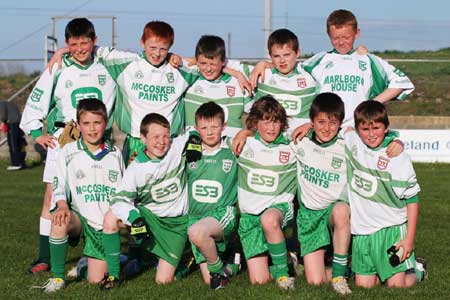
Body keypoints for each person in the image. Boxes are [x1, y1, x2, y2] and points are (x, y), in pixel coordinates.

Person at [20, 18, 116, 274]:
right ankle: (45, 256)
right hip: (65, 138)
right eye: (73, 44)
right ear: (67, 44)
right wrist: (37, 131)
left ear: (94, 41)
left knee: (101, 195)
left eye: (85, 43)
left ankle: (99, 250)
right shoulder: (59, 66)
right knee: (52, 195)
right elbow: (37, 99)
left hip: (99, 138)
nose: (80, 49)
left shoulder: (109, 63)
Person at [38, 99, 124, 292]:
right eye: (86, 123)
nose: (92, 129)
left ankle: (84, 265)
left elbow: (123, 192)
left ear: (106, 123)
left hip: (104, 224)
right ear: (78, 124)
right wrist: (61, 205)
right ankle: (58, 279)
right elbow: (58, 183)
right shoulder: (68, 151)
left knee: (95, 279)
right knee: (59, 220)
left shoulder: (115, 154)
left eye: (97, 123)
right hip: (79, 219)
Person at [102, 113, 190, 286]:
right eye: (155, 137)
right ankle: (114, 275)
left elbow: (193, 130)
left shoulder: (176, 147)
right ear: (143, 138)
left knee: (163, 281)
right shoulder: (136, 168)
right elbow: (119, 200)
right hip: (151, 220)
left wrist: (194, 138)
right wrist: (135, 219)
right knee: (110, 217)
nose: (162, 141)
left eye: (165, 136)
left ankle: (186, 259)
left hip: (177, 224)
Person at [345, 100, 425, 288]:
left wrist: (409, 239)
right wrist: (309, 124)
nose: (371, 134)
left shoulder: (397, 157)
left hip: (391, 228)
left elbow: (412, 199)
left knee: (396, 286)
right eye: (365, 129)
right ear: (357, 129)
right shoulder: (352, 141)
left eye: (377, 128)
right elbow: (334, 127)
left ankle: (419, 271)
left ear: (386, 128)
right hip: (362, 231)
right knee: (364, 287)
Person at [301, 9, 414, 128]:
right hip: (326, 130)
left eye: (346, 37)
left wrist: (371, 104)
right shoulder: (318, 60)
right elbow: (292, 75)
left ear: (357, 33)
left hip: (357, 130)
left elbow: (401, 82)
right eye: (335, 38)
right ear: (328, 34)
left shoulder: (368, 60)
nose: (341, 42)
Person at [236, 96, 296, 290]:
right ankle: (286, 260)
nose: (271, 128)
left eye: (276, 121)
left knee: (269, 219)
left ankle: (282, 276)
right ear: (255, 123)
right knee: (259, 281)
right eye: (266, 121)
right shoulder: (244, 144)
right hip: (249, 217)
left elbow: (319, 134)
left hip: (278, 209)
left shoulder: (292, 145)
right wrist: (244, 132)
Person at [186, 102, 239, 289]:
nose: (209, 132)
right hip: (196, 217)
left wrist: (246, 133)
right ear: (196, 129)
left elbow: (253, 136)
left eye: (214, 127)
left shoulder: (232, 148)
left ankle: (219, 271)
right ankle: (232, 263)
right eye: (204, 128)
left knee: (197, 232)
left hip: (222, 212)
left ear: (224, 127)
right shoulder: (189, 151)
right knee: (209, 281)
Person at [240, 29, 317, 136]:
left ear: (298, 53)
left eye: (287, 55)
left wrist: (311, 125)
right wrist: (240, 75)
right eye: (276, 56)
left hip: (299, 143)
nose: (282, 60)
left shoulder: (311, 76)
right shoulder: (261, 73)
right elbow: (219, 63)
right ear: (270, 56)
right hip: (267, 144)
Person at [183, 35, 253, 137]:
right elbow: (173, 60)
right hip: (194, 149)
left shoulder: (237, 83)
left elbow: (256, 116)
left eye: (213, 64)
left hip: (230, 150)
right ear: (196, 61)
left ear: (223, 62)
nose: (208, 69)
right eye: (203, 63)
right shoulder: (189, 78)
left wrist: (248, 133)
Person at [0, 100, 26, 170]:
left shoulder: (1, 103)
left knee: (13, 144)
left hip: (13, 123)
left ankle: (15, 163)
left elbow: (3, 115)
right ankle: (22, 163)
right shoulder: (9, 103)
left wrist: (2, 123)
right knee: (19, 144)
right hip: (19, 123)